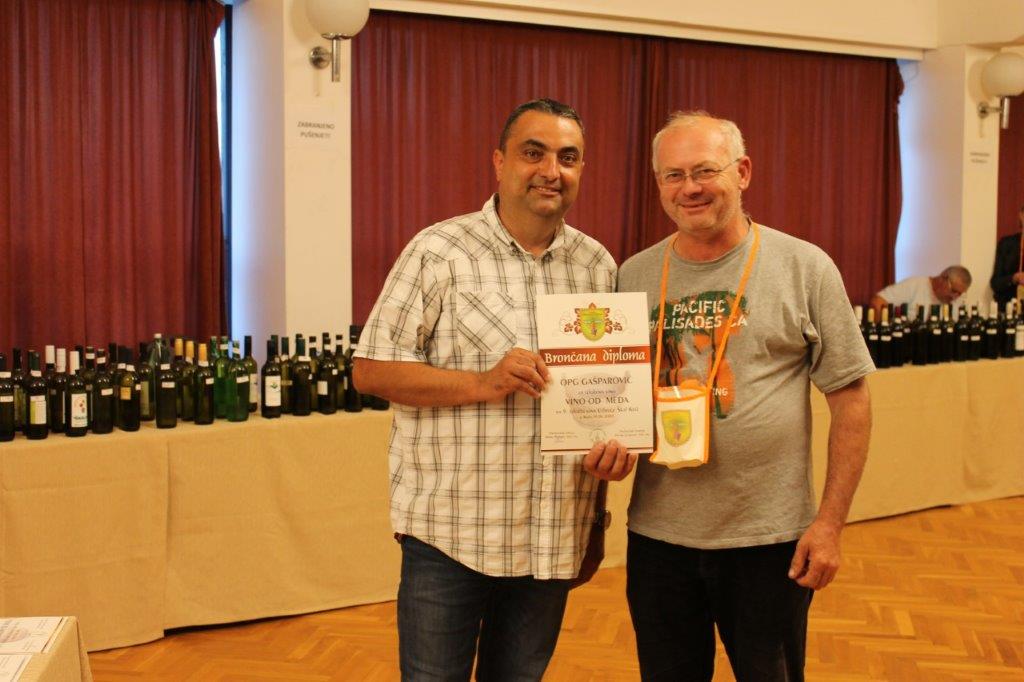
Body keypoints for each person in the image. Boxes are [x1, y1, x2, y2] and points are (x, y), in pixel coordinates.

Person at [352, 98, 636, 681]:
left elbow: (605, 402)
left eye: (568, 157)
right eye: (534, 153)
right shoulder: (438, 252)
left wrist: (600, 503)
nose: (550, 170)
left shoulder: (598, 266)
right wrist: (484, 383)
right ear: (500, 162)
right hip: (449, 537)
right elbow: (372, 370)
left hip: (550, 536)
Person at [617, 111, 873, 681]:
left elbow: (852, 399)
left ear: (744, 172)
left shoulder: (804, 267)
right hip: (659, 539)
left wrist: (830, 524)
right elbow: (617, 396)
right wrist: (606, 446)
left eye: (705, 170)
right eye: (674, 175)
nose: (690, 188)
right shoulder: (633, 275)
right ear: (658, 184)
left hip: (769, 540)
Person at [869, 265, 971, 319]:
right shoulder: (914, 285)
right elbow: (877, 302)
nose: (955, 297)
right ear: (943, 279)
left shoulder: (957, 301)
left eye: (960, 294)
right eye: (953, 291)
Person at [990, 205, 1024, 306]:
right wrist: (1014, 278)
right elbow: (995, 283)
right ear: (1021, 216)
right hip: (1008, 306)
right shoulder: (1006, 244)